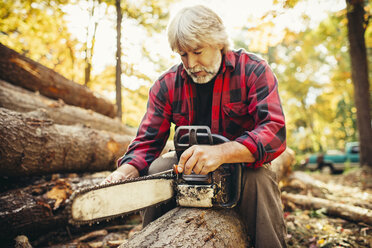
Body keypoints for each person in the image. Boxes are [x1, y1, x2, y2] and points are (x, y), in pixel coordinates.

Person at [103, 5, 287, 247]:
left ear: (219, 42)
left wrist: (222, 152)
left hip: (241, 166)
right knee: (157, 168)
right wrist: (125, 171)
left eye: (197, 52)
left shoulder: (252, 70)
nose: (190, 63)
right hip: (187, 166)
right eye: (183, 55)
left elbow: (273, 131)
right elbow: (147, 142)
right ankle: (151, 239)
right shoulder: (166, 85)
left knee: (259, 179)